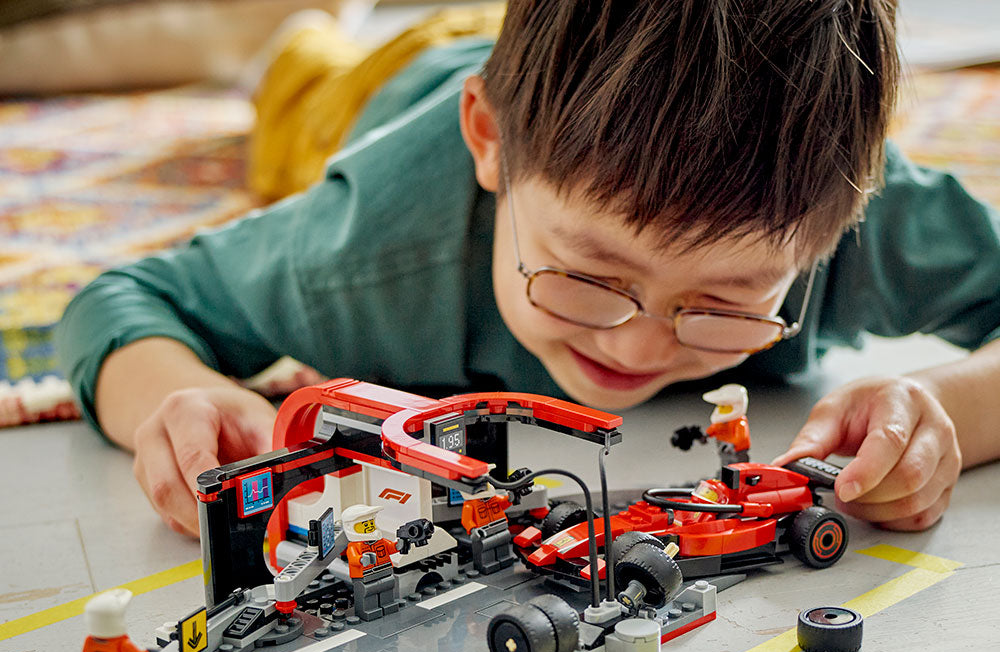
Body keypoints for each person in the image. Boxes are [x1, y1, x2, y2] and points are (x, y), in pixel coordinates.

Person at [55, 2, 1000, 541]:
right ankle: (297, 42)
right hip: (397, 79)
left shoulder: (843, 202)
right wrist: (175, 396)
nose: (634, 344)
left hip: (545, 81)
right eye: (589, 274)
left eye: (725, 303)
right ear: (488, 144)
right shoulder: (361, 253)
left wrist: (941, 403)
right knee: (302, 94)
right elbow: (123, 300)